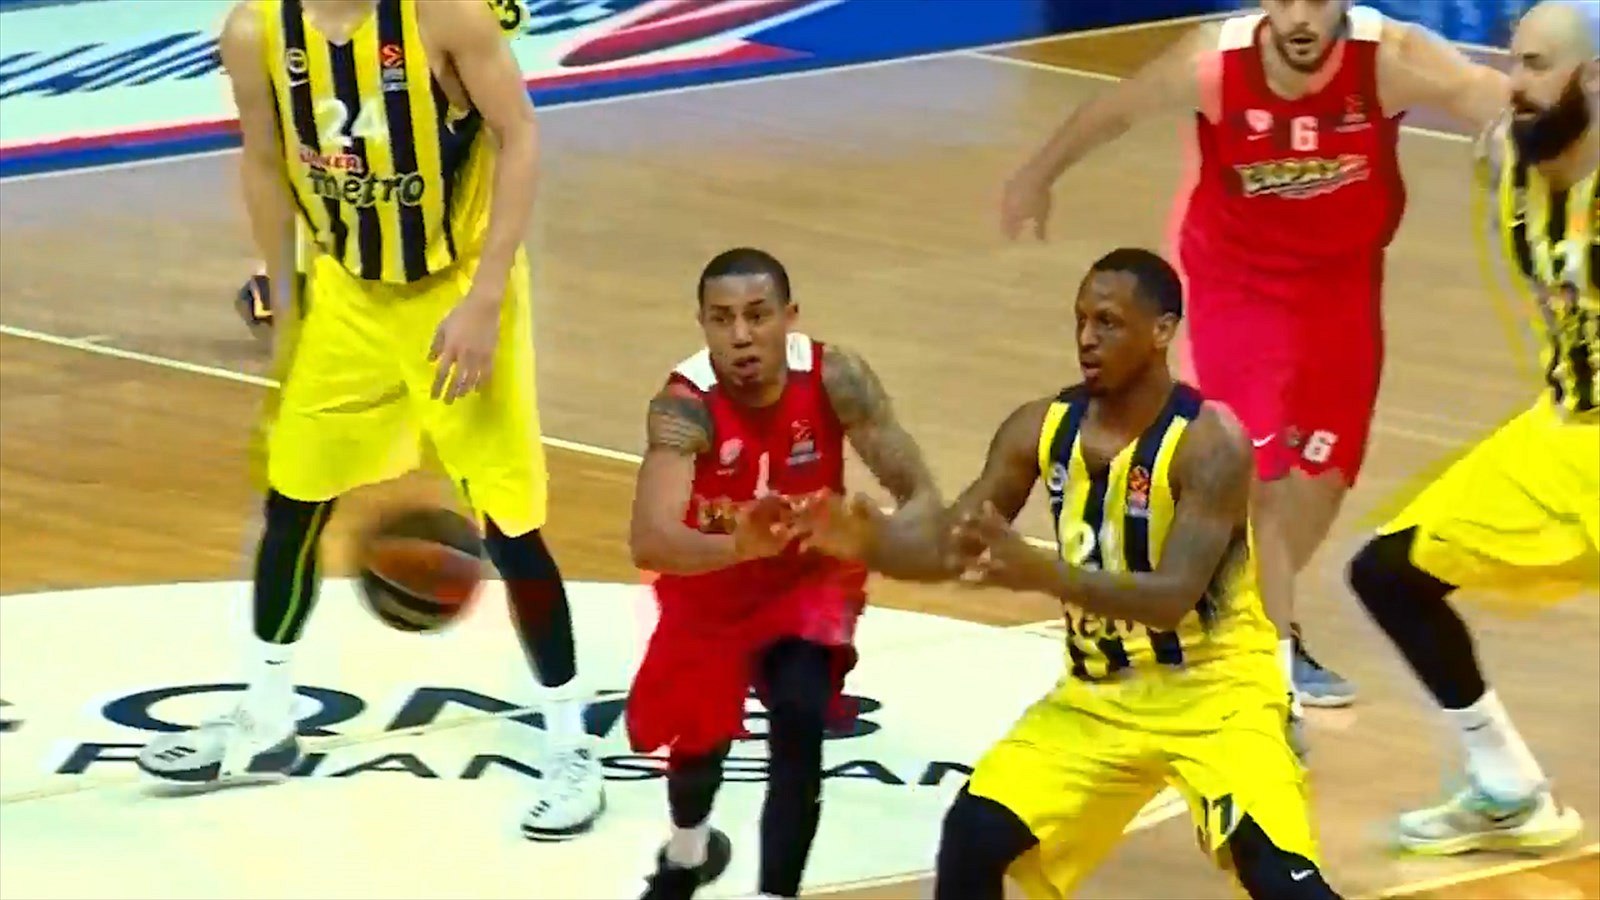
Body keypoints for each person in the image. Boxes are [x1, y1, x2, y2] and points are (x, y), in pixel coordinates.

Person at [137, 0, 607, 842]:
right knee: (293, 497)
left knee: (509, 523)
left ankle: (572, 748)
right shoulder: (256, 32)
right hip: (349, 294)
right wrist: (284, 290)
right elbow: (265, 159)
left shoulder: (444, 17)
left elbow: (521, 136)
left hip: (455, 289)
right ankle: (265, 716)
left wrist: (486, 298)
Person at [998, 0, 1512, 711]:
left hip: (1342, 287)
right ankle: (1267, 662)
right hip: (1235, 284)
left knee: (1323, 474)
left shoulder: (1391, 58)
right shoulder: (1214, 61)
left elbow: (1497, 99)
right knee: (1258, 474)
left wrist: (1528, 143)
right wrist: (1037, 174)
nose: (1300, 17)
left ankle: (1243, 613)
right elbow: (1115, 110)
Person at [802, 248, 1338, 899]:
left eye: (1108, 322)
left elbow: (1171, 599)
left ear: (1162, 331)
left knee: (1281, 881)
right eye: (1081, 320)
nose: (1087, 338)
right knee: (972, 836)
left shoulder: (1209, 443)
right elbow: (951, 547)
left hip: (1217, 697)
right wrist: (871, 543)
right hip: (1098, 698)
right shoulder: (1039, 428)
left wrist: (1043, 573)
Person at [1344, 0, 1594, 856]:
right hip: (1562, 433)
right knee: (1389, 573)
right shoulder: (1514, 145)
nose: (1513, 82)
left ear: (1594, 78)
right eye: (1512, 60)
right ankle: (1507, 785)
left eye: (1535, 65)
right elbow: (1439, 67)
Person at [627, 248, 941, 900]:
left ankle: (776, 893)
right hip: (711, 585)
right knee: (698, 747)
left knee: (799, 714)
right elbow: (650, 540)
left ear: (789, 316)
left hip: (806, 580)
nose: (741, 335)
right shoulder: (684, 406)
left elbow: (921, 498)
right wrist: (739, 546)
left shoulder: (836, 377)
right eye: (722, 319)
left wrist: (875, 534)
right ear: (702, 325)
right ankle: (687, 853)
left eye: (758, 315)